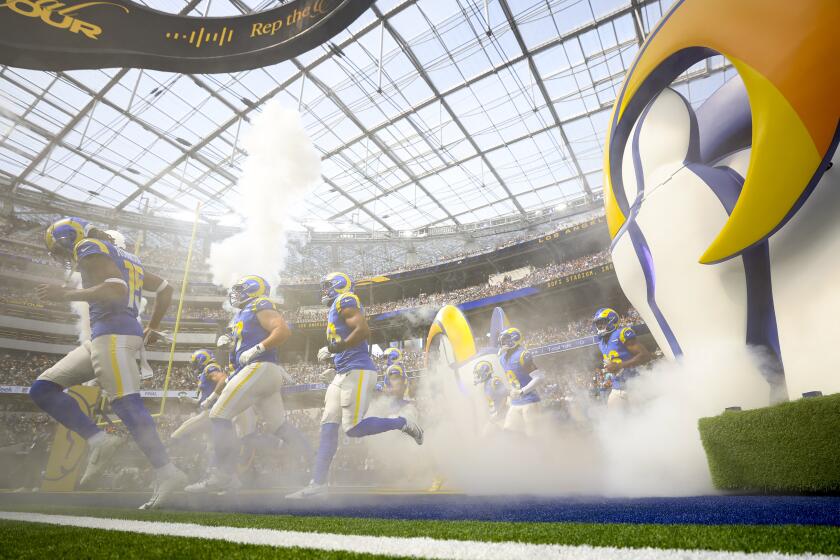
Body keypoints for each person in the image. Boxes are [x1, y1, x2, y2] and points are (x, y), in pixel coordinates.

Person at [30, 217, 186, 509]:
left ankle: (168, 471)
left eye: (62, 249)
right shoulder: (125, 256)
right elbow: (165, 287)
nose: (66, 257)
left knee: (126, 404)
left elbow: (116, 290)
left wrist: (64, 294)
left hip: (114, 333)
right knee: (42, 388)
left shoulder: (88, 245)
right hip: (107, 335)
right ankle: (99, 440)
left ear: (69, 238)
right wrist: (151, 325)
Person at [286, 272, 423, 499]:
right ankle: (317, 484)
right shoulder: (335, 307)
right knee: (328, 425)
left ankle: (403, 423)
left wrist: (335, 348)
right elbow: (344, 342)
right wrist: (334, 361)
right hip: (343, 372)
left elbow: (363, 330)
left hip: (358, 370)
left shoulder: (345, 300)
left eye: (327, 286)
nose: (324, 290)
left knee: (352, 429)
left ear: (339, 285)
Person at [186, 275, 308, 492]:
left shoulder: (258, 304)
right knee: (279, 426)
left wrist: (257, 348)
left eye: (241, 289)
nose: (236, 293)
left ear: (253, 290)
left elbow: (282, 330)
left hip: (259, 367)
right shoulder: (243, 314)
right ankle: (316, 466)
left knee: (218, 415)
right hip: (262, 372)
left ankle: (223, 475)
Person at [592, 307, 652, 406]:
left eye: (602, 322)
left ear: (612, 320)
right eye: (597, 324)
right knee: (615, 419)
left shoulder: (622, 334)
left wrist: (620, 366)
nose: (599, 326)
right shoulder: (601, 342)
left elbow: (645, 356)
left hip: (635, 385)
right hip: (617, 388)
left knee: (643, 417)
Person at [498, 327, 544, 436]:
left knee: (533, 435)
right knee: (508, 434)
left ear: (515, 338)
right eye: (502, 340)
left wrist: (522, 391)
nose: (502, 342)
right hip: (515, 402)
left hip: (530, 401)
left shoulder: (522, 355)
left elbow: (539, 377)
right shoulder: (502, 358)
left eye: (505, 339)